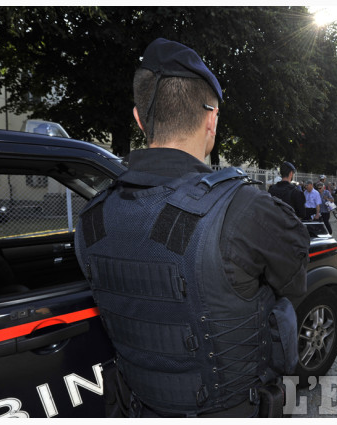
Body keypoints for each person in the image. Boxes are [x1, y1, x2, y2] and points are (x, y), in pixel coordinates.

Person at [74, 38, 310, 418]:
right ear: (211, 119)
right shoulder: (248, 210)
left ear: (138, 118)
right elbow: (295, 285)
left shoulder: (92, 219)